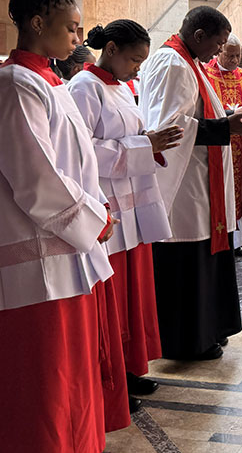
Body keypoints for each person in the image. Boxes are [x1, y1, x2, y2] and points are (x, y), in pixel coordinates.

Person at [0, 0, 115, 453]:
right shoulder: (12, 87)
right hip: (35, 260)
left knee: (69, 370)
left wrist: (96, 211)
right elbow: (36, 178)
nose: (79, 37)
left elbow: (77, 163)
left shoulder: (50, 83)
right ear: (35, 22)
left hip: (65, 250)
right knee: (39, 375)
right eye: (71, 27)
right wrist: (94, 221)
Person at [138, 6, 242, 360]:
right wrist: (227, 127)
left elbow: (196, 113)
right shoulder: (173, 64)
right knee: (186, 263)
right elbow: (170, 128)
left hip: (199, 182)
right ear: (198, 36)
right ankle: (186, 341)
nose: (219, 51)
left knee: (203, 259)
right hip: (184, 187)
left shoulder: (187, 61)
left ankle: (208, 331)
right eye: (218, 44)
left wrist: (229, 116)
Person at [70, 20, 183, 401]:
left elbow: (129, 138)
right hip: (109, 208)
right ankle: (112, 381)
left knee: (133, 298)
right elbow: (81, 151)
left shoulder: (120, 87)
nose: (138, 69)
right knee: (114, 301)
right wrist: (144, 145)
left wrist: (150, 143)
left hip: (133, 208)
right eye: (134, 60)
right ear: (112, 49)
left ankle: (129, 370)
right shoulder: (84, 87)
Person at [203, 33, 242, 258]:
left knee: (238, 191)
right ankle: (218, 239)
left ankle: (236, 242)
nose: (235, 60)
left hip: (240, 146)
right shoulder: (206, 74)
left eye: (238, 55)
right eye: (230, 55)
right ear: (219, 51)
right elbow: (204, 108)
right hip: (217, 146)